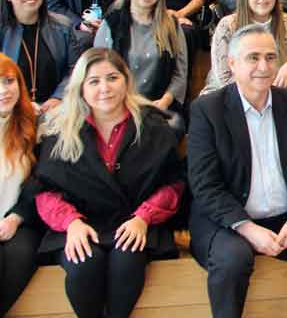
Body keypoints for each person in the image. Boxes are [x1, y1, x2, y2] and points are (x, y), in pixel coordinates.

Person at [188, 23, 287, 318]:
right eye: (253, 57)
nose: (263, 66)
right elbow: (204, 184)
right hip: (228, 221)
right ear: (232, 64)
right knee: (233, 258)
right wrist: (246, 228)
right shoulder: (208, 109)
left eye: (270, 57)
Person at [35, 47, 184, 318]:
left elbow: (173, 184)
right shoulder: (59, 130)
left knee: (127, 262)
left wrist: (143, 217)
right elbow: (45, 191)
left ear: (126, 80)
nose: (105, 88)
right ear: (81, 88)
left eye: (112, 78)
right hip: (79, 224)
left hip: (134, 223)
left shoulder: (154, 124)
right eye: (94, 81)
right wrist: (71, 223)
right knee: (84, 265)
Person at [94, 0, 189, 113]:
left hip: (158, 107)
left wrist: (165, 101)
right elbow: (98, 73)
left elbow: (180, 74)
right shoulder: (111, 25)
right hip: (117, 107)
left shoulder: (172, 25)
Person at [0, 0, 80, 115]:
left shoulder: (62, 26)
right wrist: (21, 104)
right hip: (9, 111)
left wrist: (58, 97)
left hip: (55, 111)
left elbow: (75, 68)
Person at [0, 53, 40, 317]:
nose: (3, 91)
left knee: (15, 258)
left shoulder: (34, 123)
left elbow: (41, 182)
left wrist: (15, 218)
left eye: (8, 81)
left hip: (21, 219)